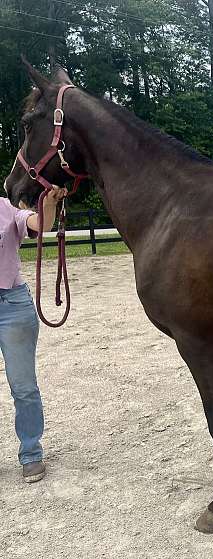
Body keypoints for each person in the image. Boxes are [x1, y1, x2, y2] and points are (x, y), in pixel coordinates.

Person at [0, 187, 67, 482]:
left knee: (23, 386)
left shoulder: (6, 208)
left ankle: (30, 453)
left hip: (12, 305)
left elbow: (41, 224)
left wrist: (49, 203)